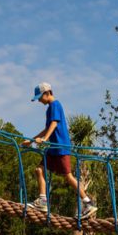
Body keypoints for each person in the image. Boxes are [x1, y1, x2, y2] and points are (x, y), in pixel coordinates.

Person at [22, 82, 98, 215]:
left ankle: (87, 202)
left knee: (68, 177)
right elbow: (47, 128)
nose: (39, 101)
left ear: (48, 93)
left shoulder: (55, 105)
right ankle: (42, 201)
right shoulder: (49, 108)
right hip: (53, 148)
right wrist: (32, 140)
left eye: (40, 97)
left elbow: (54, 123)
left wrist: (45, 139)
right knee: (39, 170)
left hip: (61, 147)